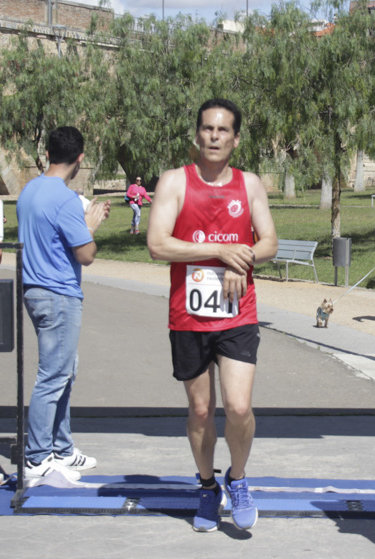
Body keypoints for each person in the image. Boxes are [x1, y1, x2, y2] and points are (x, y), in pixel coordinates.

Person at [146, 98, 278, 532]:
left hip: (237, 313)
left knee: (238, 407)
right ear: (196, 134)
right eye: (207, 129)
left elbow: (269, 243)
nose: (214, 137)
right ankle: (206, 486)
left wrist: (243, 259)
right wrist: (220, 252)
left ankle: (237, 478)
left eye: (223, 131)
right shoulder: (173, 182)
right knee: (201, 411)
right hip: (188, 315)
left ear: (236, 139)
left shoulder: (251, 185)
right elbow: (158, 245)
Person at [17, 126, 112, 480]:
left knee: (64, 370)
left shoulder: (29, 191)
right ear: (80, 158)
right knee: (53, 376)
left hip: (33, 289)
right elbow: (85, 254)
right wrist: (91, 226)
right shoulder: (65, 199)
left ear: (47, 153)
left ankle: (62, 448)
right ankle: (38, 457)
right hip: (58, 294)